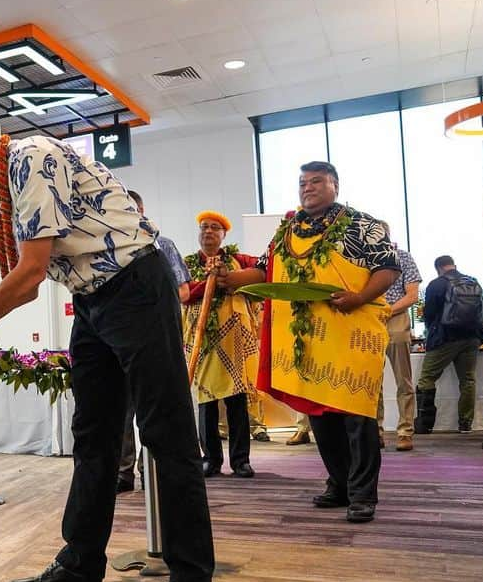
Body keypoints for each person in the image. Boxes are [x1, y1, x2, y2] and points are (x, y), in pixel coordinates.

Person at [0, 104, 215, 582]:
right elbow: (28, 272)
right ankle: (81, 560)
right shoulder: (1, 184)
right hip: (92, 298)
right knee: (93, 435)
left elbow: (31, 273)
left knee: (165, 432)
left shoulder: (29, 159)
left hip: (133, 286)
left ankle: (191, 577)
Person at [218, 161, 399, 523]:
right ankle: (339, 484)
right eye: (303, 182)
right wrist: (230, 278)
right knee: (321, 417)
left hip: (351, 333)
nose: (308, 188)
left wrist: (360, 297)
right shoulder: (288, 229)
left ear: (335, 185)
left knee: (356, 417)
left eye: (317, 181)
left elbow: (388, 267)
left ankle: (363, 495)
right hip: (307, 339)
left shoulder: (362, 224)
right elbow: (266, 272)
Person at [116, 188, 190, 494]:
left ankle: (153, 473)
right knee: (122, 413)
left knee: (155, 411)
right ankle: (123, 473)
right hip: (118, 340)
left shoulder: (163, 244)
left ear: (142, 211)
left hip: (155, 336)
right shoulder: (106, 247)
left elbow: (184, 291)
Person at [182, 210, 258, 478]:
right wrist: (210, 283)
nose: (209, 232)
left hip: (233, 341)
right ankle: (211, 459)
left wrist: (230, 278)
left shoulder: (238, 260)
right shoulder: (188, 263)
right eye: (204, 227)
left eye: (215, 228)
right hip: (201, 342)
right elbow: (184, 293)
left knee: (237, 400)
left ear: (224, 235)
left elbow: (261, 272)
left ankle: (241, 461)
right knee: (206, 401)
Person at [414, 256, 483, 435]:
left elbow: (429, 314)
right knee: (468, 380)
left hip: (445, 338)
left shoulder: (436, 284)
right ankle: (465, 424)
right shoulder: (473, 282)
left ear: (438, 268)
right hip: (472, 338)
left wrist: (431, 332)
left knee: (427, 378)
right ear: (454, 265)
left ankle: (425, 424)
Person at [377, 240, 421, 451]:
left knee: (403, 379)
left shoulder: (402, 256)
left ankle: (405, 431)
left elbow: (412, 295)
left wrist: (387, 311)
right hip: (368, 321)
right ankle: (375, 431)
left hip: (395, 317)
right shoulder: (362, 260)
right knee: (371, 382)